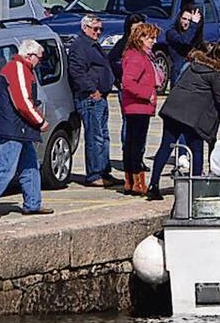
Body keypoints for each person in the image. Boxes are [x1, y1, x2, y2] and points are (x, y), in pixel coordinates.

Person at [147, 41, 220, 200]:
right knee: (196, 150)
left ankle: (153, 185)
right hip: (190, 117)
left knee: (165, 147)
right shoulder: (216, 74)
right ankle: (196, 189)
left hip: (172, 110)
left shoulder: (194, 66)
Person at [0, 40, 53, 219]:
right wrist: (40, 121)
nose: (40, 61)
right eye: (39, 57)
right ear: (29, 55)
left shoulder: (21, 68)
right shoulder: (18, 69)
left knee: (30, 166)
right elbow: (22, 102)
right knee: (6, 167)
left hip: (20, 127)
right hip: (13, 128)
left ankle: (32, 203)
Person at [68, 14, 118, 187]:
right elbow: (77, 72)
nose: (98, 32)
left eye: (100, 29)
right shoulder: (79, 47)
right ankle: (94, 174)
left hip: (100, 97)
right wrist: (92, 90)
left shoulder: (93, 45)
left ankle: (104, 171)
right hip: (90, 98)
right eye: (95, 29)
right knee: (95, 137)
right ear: (85, 28)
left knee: (104, 136)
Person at [121, 23, 164, 196]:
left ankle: (131, 182)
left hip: (138, 106)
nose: (154, 41)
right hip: (137, 106)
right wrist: (148, 94)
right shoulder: (136, 57)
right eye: (150, 38)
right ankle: (136, 183)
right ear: (140, 38)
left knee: (133, 144)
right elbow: (128, 82)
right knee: (135, 145)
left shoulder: (141, 55)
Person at [108, 12, 147, 161]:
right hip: (127, 89)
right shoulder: (123, 44)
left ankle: (139, 157)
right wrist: (119, 80)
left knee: (142, 125)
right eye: (135, 28)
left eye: (140, 28)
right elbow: (111, 61)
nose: (138, 32)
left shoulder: (146, 45)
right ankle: (128, 156)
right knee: (129, 122)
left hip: (143, 89)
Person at [166, 0, 204, 85]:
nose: (186, 22)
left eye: (190, 20)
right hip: (178, 73)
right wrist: (193, 25)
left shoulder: (195, 34)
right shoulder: (171, 33)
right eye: (184, 19)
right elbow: (184, 40)